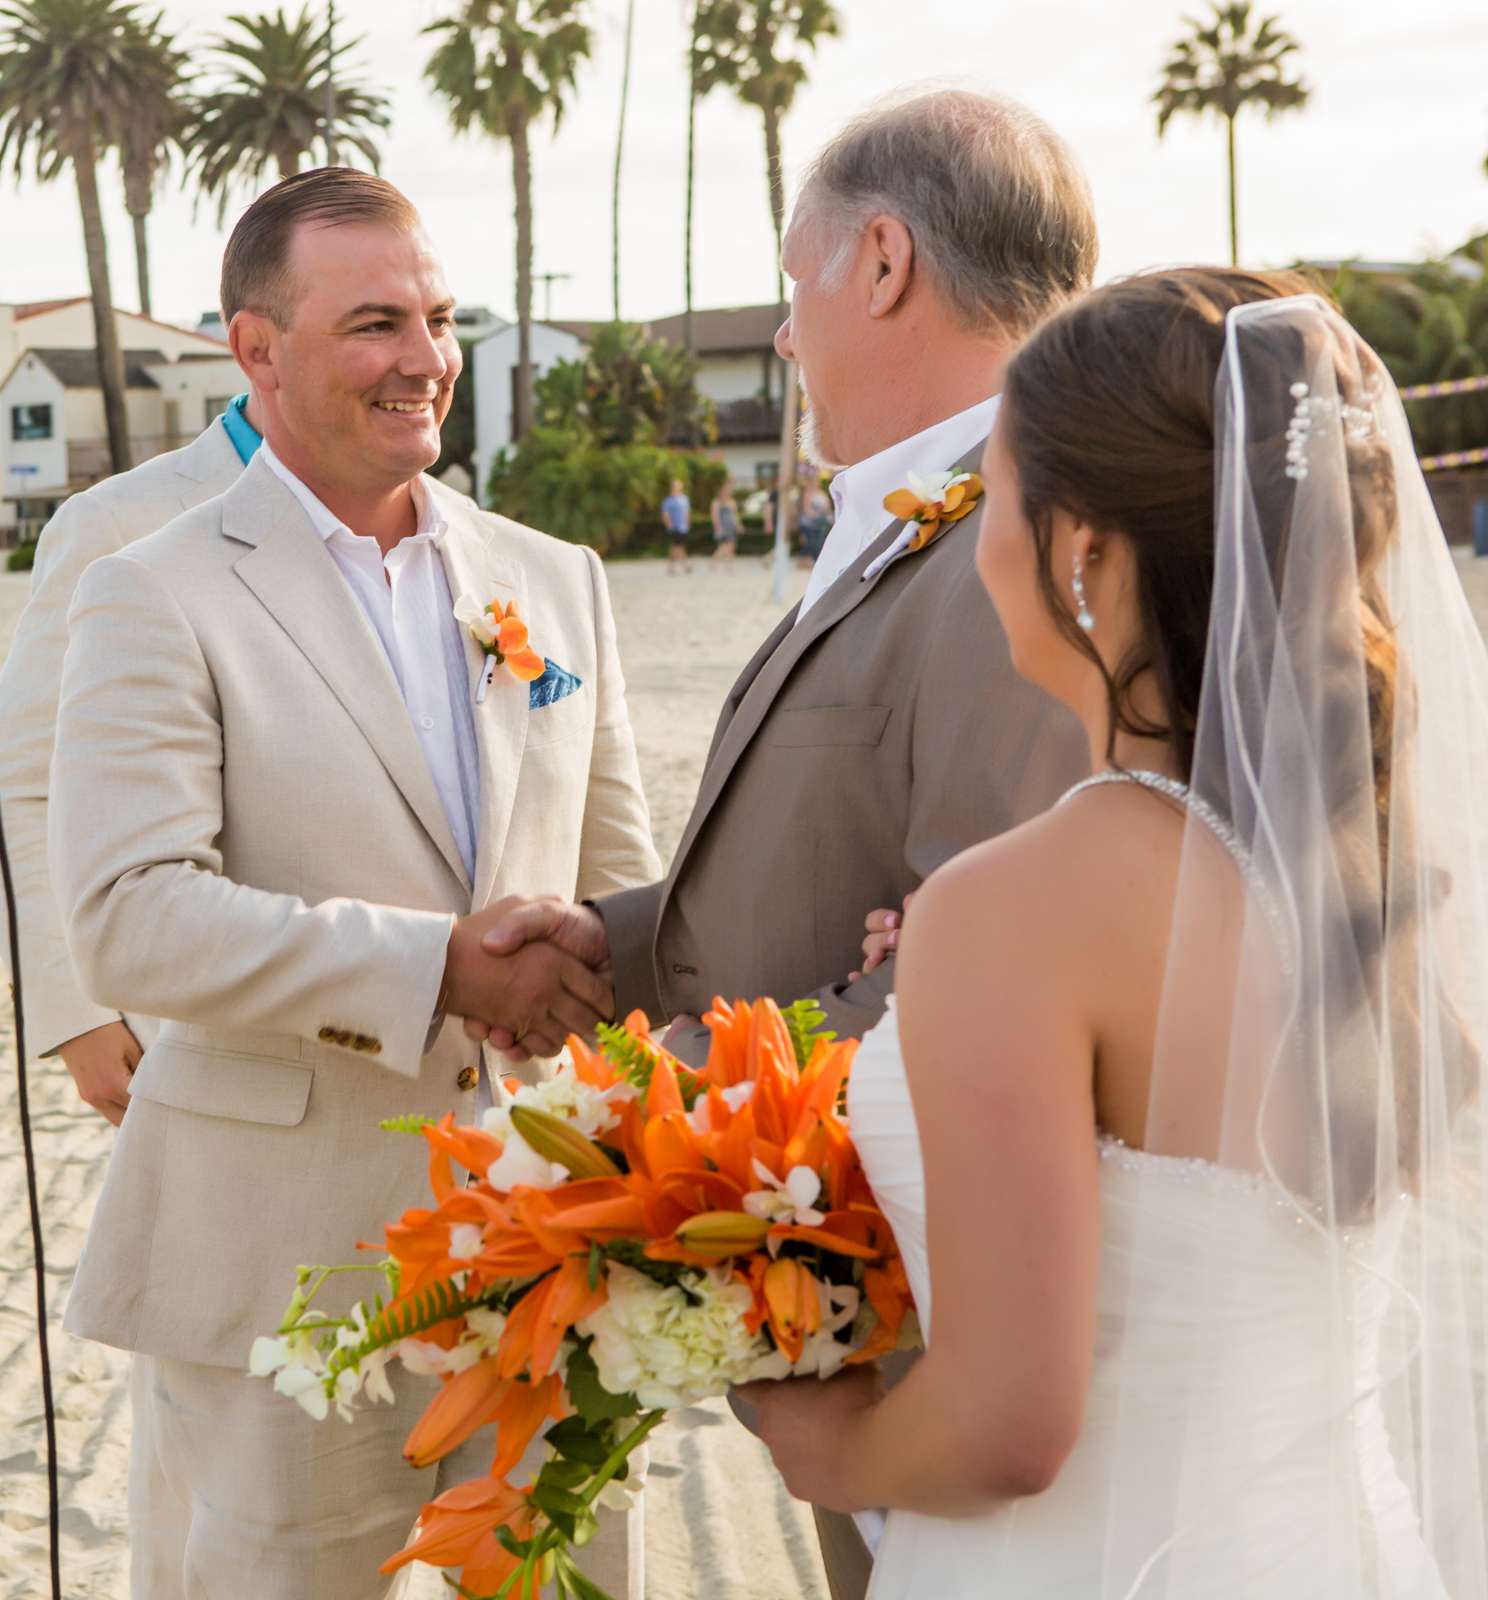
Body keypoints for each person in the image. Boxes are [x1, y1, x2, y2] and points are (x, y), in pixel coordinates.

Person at [745, 270, 1488, 1596]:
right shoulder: (1378, 865)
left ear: (1081, 549)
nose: (975, 532)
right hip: (1339, 1548)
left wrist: (832, 1452)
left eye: (996, 492)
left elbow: (1010, 1429)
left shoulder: (1019, 907)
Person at [473, 88, 1097, 1600]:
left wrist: (672, 1112)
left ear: (883, 262)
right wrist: (611, 946)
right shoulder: (916, 515)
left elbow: (1000, 963)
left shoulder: (1025, 536)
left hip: (945, 1320)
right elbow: (847, 850)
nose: (782, 334)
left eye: (795, 277)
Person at [47, 168, 661, 1599]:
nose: (428, 360)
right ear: (254, 351)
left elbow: (629, 885)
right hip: (282, 1259)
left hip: (542, 1237)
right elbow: (130, 915)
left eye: (439, 319)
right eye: (376, 323)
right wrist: (440, 966)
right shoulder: (156, 587)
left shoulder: (555, 582)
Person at [0, 370, 278, 1129]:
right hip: (202, 1043)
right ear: (259, 345)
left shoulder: (447, 530)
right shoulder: (118, 521)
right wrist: (75, 1013)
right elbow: (11, 776)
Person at [661, 474, 692, 574]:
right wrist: (669, 525)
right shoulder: (668, 501)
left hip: (683, 527)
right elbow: (665, 514)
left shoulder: (684, 499)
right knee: (676, 546)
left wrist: (688, 523)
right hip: (674, 527)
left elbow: (687, 512)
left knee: (679, 546)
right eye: (675, 485)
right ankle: (680, 566)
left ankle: (682, 565)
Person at [709, 470, 740, 567]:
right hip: (722, 527)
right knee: (724, 546)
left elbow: (735, 515)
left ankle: (729, 564)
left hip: (731, 527)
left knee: (731, 545)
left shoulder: (732, 502)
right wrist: (717, 527)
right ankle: (714, 562)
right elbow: (714, 515)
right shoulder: (717, 502)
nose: (729, 491)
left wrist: (738, 525)